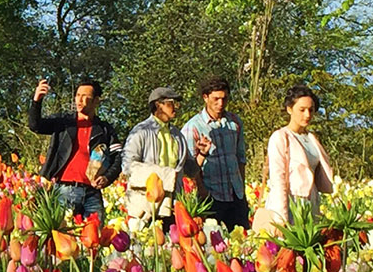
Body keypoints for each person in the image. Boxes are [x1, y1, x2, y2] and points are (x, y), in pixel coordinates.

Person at [28, 77, 121, 218]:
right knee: (62, 238)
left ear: (96, 101)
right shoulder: (64, 123)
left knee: (95, 237)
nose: (79, 100)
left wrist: (108, 177)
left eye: (85, 96)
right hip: (63, 190)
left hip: (92, 193)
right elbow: (36, 126)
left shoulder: (105, 130)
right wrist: (37, 101)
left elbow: (118, 158)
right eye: (77, 95)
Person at [121, 86, 205, 224]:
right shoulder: (141, 131)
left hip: (173, 203)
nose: (176, 107)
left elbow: (190, 170)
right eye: (171, 103)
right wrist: (163, 175)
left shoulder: (177, 135)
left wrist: (202, 153)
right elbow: (127, 166)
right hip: (147, 204)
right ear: (158, 105)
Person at [258, 84, 335, 227]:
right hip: (290, 203)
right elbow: (278, 180)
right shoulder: (281, 137)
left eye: (311, 110)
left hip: (311, 203)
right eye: (302, 110)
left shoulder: (311, 138)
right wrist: (282, 218)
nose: (307, 115)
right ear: (289, 109)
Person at [180, 75, 249, 229]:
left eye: (224, 99)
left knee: (244, 242)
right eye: (216, 99)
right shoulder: (193, 127)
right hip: (211, 195)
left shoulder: (234, 122)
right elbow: (190, 167)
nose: (221, 103)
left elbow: (240, 158)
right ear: (205, 97)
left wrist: (242, 188)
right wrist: (202, 191)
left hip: (236, 194)